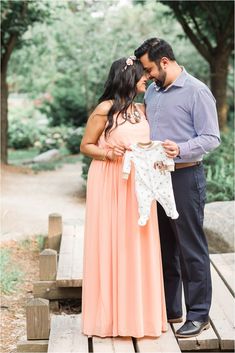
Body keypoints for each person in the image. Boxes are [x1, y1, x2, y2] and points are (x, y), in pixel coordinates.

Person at [134, 38, 220, 338]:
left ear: (165, 62)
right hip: (154, 179)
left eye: (149, 68)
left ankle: (199, 315)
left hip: (184, 177)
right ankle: (172, 309)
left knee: (190, 248)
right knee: (165, 246)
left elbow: (211, 138)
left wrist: (180, 149)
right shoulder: (153, 92)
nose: (148, 75)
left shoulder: (196, 91)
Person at [80, 56, 168, 338]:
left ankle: (138, 315)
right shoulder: (105, 109)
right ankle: (109, 318)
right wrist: (108, 153)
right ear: (128, 78)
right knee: (112, 242)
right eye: (142, 75)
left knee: (137, 244)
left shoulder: (141, 109)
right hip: (110, 181)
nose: (146, 79)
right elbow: (86, 146)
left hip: (139, 183)